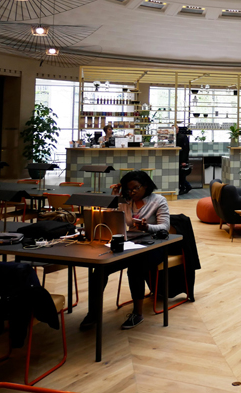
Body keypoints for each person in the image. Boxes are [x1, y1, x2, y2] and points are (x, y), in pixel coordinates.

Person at [79, 170, 170, 331]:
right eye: (128, 189)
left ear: (146, 185)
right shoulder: (125, 201)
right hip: (128, 245)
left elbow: (165, 227)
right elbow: (111, 220)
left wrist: (147, 227)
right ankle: (93, 312)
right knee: (100, 270)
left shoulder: (158, 201)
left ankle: (138, 313)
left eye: (135, 188)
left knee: (135, 270)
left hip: (152, 246)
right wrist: (114, 199)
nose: (131, 192)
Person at [176, 127, 192, 195]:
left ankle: (183, 188)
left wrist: (184, 161)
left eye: (175, 129)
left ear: (178, 129)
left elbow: (186, 149)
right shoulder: (172, 137)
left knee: (181, 175)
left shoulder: (182, 136)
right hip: (177, 158)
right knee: (179, 174)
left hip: (181, 158)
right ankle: (187, 186)